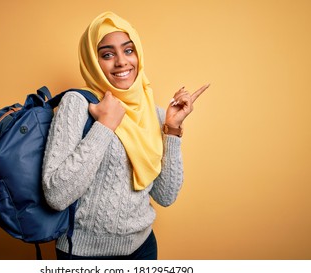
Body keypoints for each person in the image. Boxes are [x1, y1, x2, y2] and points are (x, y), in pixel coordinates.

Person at [42, 11, 209, 260]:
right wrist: (105, 125)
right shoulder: (77, 103)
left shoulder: (154, 113)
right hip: (83, 256)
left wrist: (172, 130)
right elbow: (56, 195)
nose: (121, 62)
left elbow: (165, 196)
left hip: (143, 249)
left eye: (128, 50)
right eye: (107, 54)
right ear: (92, 60)